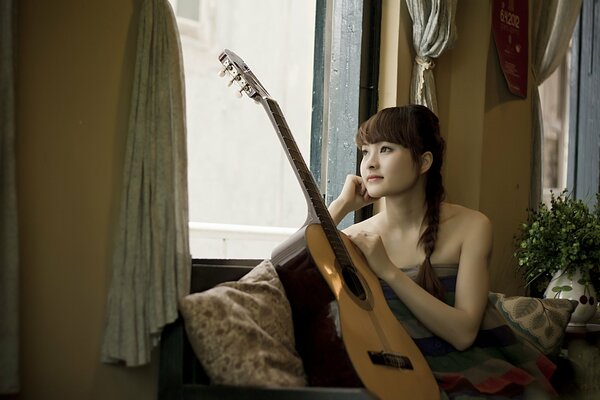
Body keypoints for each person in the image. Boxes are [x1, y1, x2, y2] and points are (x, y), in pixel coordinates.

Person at [327, 105, 556, 399]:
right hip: (395, 377)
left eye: (385, 149)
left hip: (473, 375)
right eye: (365, 151)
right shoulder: (356, 238)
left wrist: (388, 272)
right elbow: (282, 273)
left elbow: (463, 335)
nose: (369, 163)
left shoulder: (472, 226)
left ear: (423, 162)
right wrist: (340, 207)